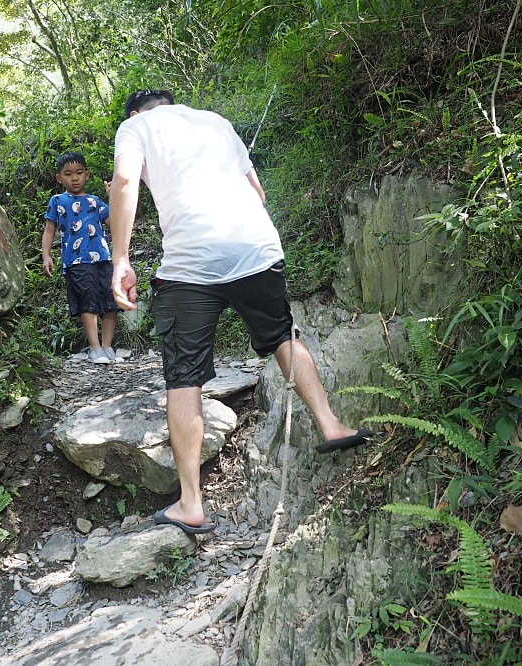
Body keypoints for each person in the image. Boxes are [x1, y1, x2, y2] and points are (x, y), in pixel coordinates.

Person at [107, 89, 372, 534]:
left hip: (189, 264)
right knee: (282, 337)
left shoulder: (135, 127)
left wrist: (120, 259)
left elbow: (125, 183)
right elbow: (257, 191)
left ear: (136, 112)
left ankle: (191, 504)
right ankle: (331, 425)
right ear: (174, 104)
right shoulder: (214, 120)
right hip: (255, 247)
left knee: (185, 376)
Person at [42, 151, 123, 364]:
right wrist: (46, 255)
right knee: (87, 301)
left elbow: (114, 223)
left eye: (79, 173)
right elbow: (50, 230)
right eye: (68, 174)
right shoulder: (57, 201)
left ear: (87, 175)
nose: (74, 178)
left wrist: (112, 197)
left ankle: (107, 346)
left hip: (103, 258)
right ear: (60, 178)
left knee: (110, 300)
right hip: (76, 260)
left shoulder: (95, 201)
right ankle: (94, 348)